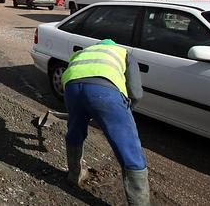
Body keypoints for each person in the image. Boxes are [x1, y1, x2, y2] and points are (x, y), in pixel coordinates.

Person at [61, 39, 149, 205]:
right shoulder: (123, 53)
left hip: (72, 89)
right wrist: (124, 111)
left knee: (75, 131)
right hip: (105, 94)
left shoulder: (82, 53)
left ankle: (74, 175)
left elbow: (73, 76)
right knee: (128, 146)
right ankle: (140, 203)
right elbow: (136, 93)